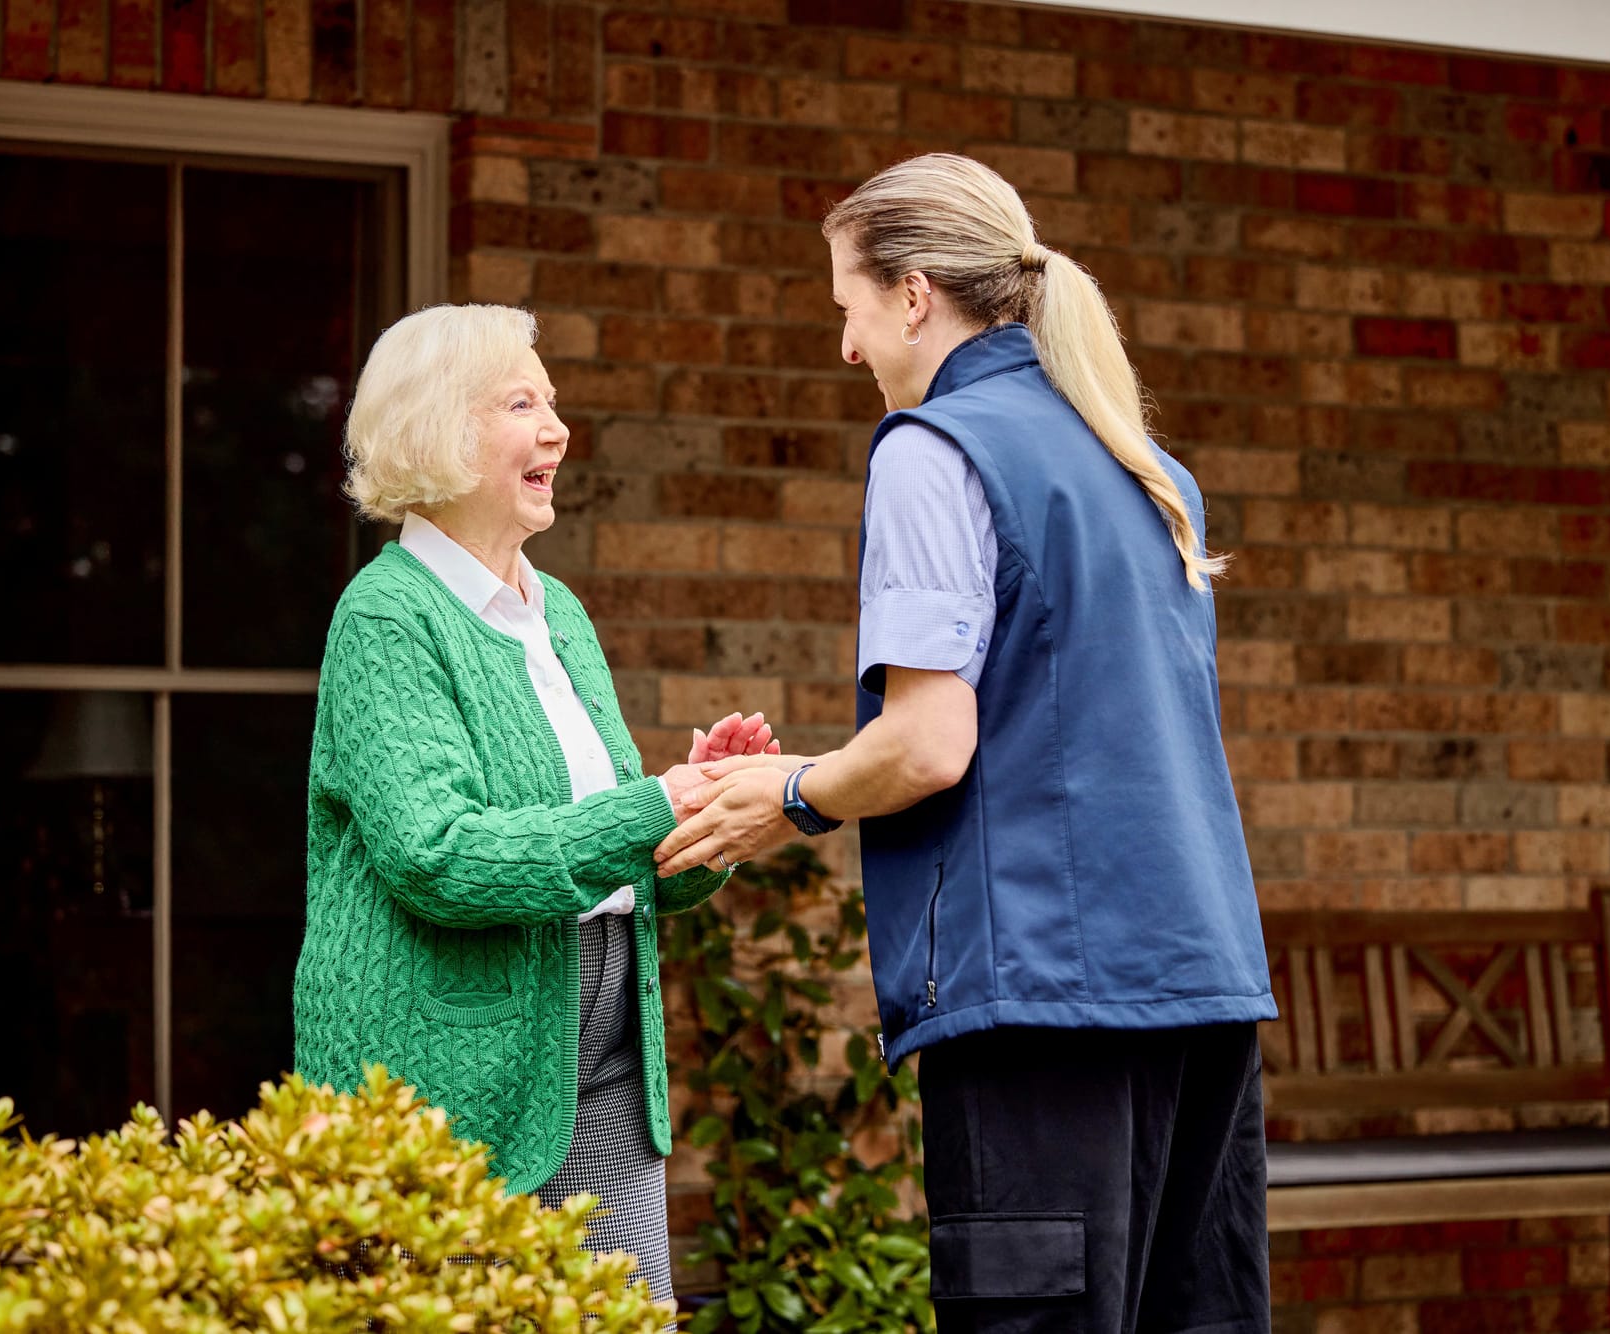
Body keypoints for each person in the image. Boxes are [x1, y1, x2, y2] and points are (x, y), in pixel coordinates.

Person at [656, 154, 1278, 1334]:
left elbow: (927, 746)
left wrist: (787, 791)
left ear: (912, 292)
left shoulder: (931, 449)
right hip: (1200, 990)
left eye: (846, 308)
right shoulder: (1149, 469)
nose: (846, 350)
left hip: (1043, 998)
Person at [294, 303, 777, 1307]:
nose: (556, 427)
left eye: (551, 400)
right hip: (443, 1063)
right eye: (522, 402)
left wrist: (700, 817)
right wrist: (648, 805)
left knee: (626, 1312)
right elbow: (438, 854)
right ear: (437, 428)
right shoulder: (386, 617)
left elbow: (609, 858)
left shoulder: (556, 611)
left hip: (600, 1048)